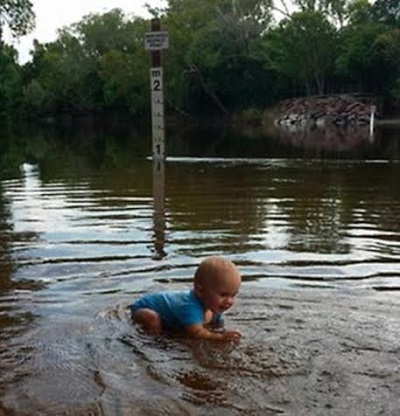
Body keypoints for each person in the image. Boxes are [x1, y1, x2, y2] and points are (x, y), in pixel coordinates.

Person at [131, 256, 242, 341]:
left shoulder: (215, 307)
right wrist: (221, 337)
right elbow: (196, 333)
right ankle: (155, 341)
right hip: (144, 308)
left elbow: (216, 326)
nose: (229, 301)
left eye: (233, 295)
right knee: (153, 320)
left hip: (170, 306)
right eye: (223, 295)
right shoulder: (190, 307)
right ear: (199, 291)